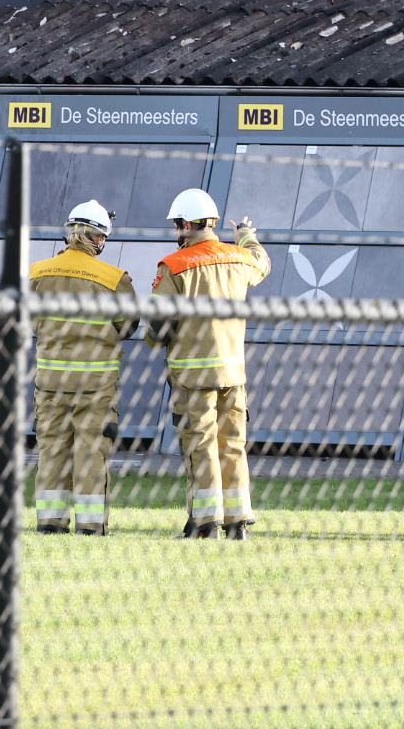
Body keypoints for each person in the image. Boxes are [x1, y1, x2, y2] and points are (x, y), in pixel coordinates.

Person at [146, 188, 270, 540]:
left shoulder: (174, 266)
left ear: (187, 224)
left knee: (200, 448)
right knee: (231, 446)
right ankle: (238, 524)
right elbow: (262, 262)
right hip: (233, 374)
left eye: (176, 226)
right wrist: (246, 236)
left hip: (193, 376)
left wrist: (153, 341)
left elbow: (158, 323)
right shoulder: (238, 259)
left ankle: (205, 525)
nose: (175, 233)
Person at [29, 200, 139, 535]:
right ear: (99, 238)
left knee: (52, 451)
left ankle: (50, 522)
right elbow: (129, 325)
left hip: (50, 382)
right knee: (92, 454)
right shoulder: (113, 278)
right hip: (96, 386)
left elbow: (32, 321)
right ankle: (91, 527)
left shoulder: (38, 272)